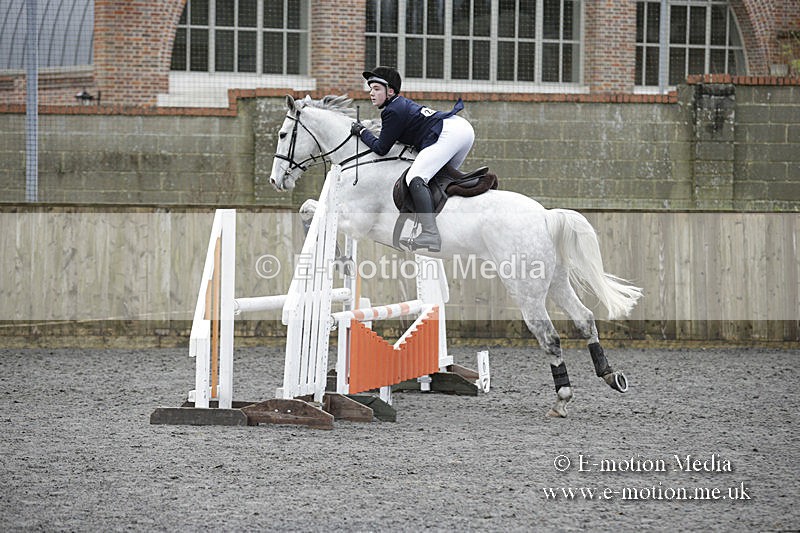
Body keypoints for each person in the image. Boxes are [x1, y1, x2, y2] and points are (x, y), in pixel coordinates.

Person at [350, 66, 475, 252]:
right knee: (437, 182)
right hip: (461, 130)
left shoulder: (392, 110)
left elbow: (381, 149)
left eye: (376, 89)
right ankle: (444, 224)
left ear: (390, 91)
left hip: (450, 132)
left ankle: (430, 234)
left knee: (415, 178)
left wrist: (361, 131)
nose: (371, 93)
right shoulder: (399, 105)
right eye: (370, 89)